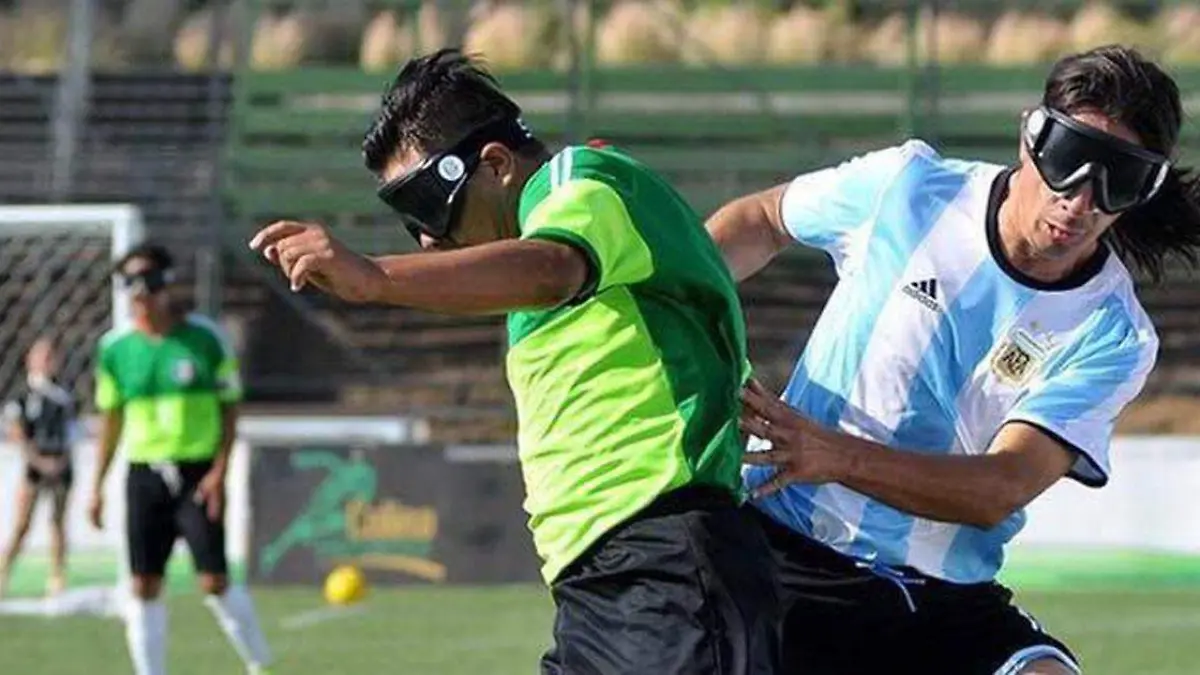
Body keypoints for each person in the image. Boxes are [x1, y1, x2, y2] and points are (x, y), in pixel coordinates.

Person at [249, 49, 780, 674]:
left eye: (428, 208)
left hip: (663, 566)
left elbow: (553, 270)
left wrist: (372, 277)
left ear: (496, 164)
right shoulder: (543, 263)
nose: (426, 239)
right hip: (605, 585)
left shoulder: (584, 181)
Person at [706, 44, 1200, 675]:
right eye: (1072, 159)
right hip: (783, 555)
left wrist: (832, 454)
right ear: (1033, 138)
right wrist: (689, 315)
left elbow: (1002, 486)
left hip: (941, 599)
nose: (1081, 199)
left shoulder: (1114, 334)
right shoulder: (908, 187)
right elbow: (764, 218)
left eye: (1119, 179)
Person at [89, 243, 273, 675]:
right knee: (143, 583)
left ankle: (259, 662)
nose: (139, 293)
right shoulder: (114, 349)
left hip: (197, 473)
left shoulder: (204, 339)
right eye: (129, 283)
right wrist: (97, 486)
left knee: (213, 580)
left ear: (167, 283)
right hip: (144, 474)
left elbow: (230, 407)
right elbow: (111, 421)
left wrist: (220, 471)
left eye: (147, 281)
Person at [0, 338, 79, 598]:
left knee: (58, 522)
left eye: (50, 356)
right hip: (35, 468)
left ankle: (57, 577)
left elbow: (71, 433)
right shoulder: (23, 396)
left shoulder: (64, 396)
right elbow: (19, 435)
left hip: (60, 466)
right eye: (41, 356)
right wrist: (39, 461)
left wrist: (62, 461)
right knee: (22, 524)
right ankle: (4, 571)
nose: (46, 362)